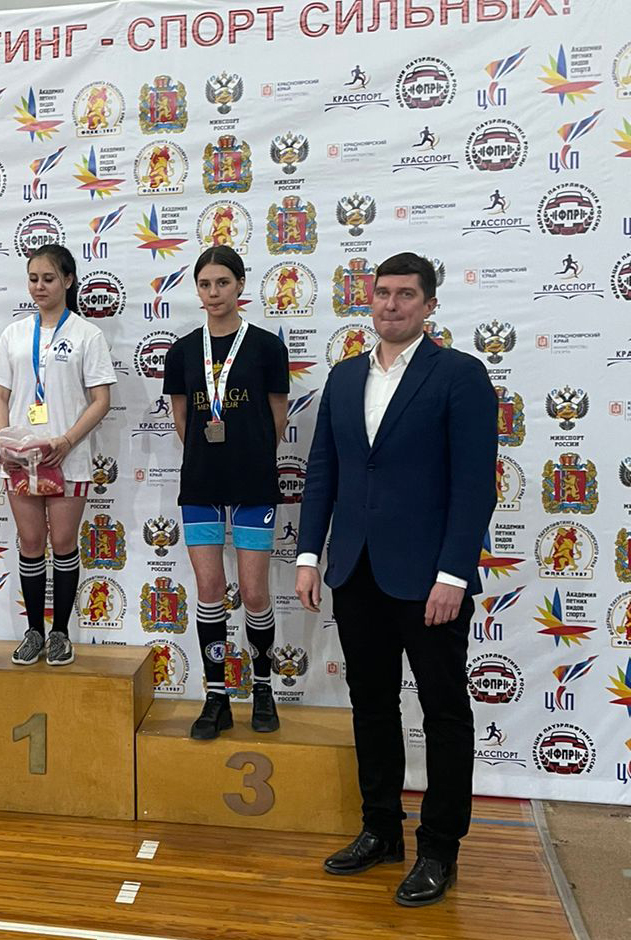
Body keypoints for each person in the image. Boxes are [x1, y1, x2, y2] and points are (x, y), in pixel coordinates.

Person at [295, 251, 496, 907]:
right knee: (372, 705)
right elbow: (323, 472)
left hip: (431, 579)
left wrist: (454, 573)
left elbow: (474, 486)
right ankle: (381, 829)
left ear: (429, 305)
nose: (391, 304)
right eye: (382, 293)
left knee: (444, 712)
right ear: (370, 299)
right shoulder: (345, 376)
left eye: (406, 294)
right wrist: (308, 556)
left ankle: (440, 849)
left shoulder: (460, 375)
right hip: (356, 570)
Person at [163, 245, 289, 739]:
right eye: (205, 284)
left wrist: (251, 455)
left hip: (253, 482)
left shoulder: (266, 347)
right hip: (201, 483)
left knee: (254, 592)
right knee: (211, 590)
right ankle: (216, 696)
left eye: (222, 283)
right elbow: (182, 418)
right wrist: (208, 456)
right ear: (197, 289)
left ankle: (263, 688)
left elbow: (277, 415)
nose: (213, 293)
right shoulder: (181, 351)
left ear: (240, 285)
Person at [0, 244, 116, 666]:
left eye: (48, 278)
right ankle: (34, 632)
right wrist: (5, 440)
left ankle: (60, 632)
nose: (39, 286)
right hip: (20, 459)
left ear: (68, 280)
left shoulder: (86, 335)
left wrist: (66, 440)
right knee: (30, 542)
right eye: (33, 279)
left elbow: (101, 400)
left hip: (68, 457)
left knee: (62, 543)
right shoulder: (14, 334)